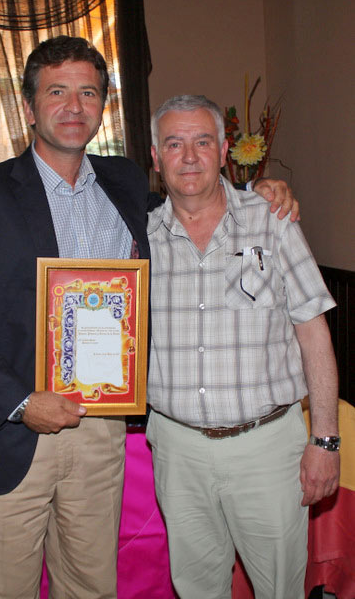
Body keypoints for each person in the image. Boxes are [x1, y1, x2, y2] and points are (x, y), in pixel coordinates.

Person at [0, 35, 296, 598]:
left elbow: (192, 197)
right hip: (8, 432)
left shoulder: (122, 182)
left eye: (88, 93)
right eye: (57, 92)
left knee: (93, 588)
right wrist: (24, 403)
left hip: (100, 431)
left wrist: (255, 190)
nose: (74, 107)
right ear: (29, 107)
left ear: (103, 106)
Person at [146, 95, 340, 599]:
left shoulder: (272, 218)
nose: (189, 156)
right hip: (177, 448)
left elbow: (312, 330)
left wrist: (325, 440)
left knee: (280, 587)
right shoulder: (139, 236)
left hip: (267, 448)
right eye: (174, 143)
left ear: (225, 150)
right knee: (196, 588)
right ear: (155, 156)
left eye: (202, 141)